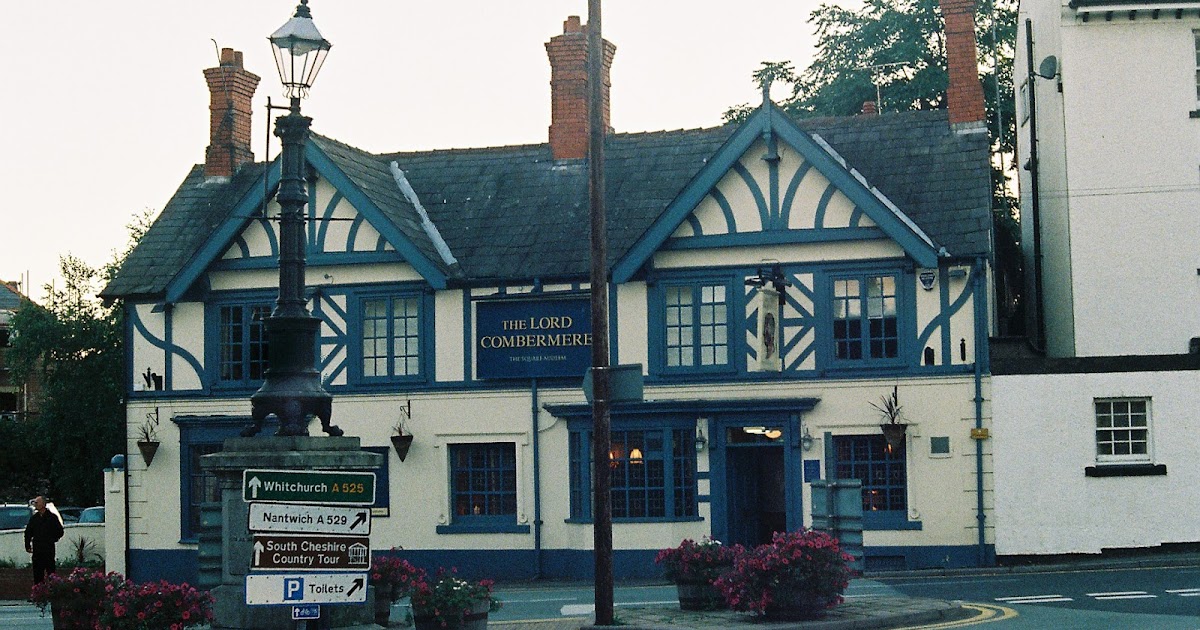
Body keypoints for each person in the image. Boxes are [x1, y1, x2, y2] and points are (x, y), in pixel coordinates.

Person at [24, 496, 63, 585]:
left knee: (50, 571)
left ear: (43, 504)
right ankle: (38, 590)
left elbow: (60, 531)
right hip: (37, 549)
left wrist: (52, 539)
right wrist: (27, 545)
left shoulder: (52, 518)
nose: (35, 504)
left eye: (37, 502)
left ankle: (52, 589)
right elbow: (28, 532)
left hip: (48, 548)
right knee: (37, 572)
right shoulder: (34, 518)